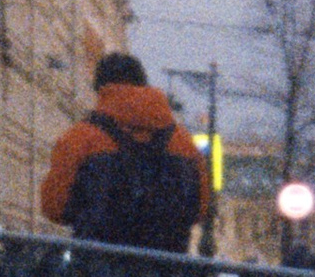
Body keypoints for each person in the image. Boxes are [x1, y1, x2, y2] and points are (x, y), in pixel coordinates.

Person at [39, 52, 208, 252]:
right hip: (166, 272)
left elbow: (54, 207)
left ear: (100, 89)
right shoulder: (184, 142)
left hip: (98, 270)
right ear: (144, 84)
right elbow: (199, 209)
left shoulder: (81, 138)